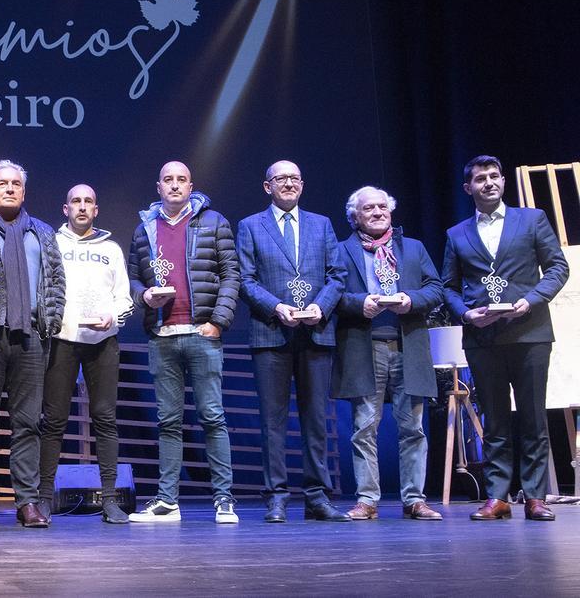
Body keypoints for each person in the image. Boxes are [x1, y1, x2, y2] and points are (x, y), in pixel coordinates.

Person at [442, 155, 569, 522]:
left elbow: (558, 267)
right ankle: (497, 496)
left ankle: (534, 496)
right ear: (469, 187)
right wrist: (467, 314)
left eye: (495, 176)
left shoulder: (531, 220)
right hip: (483, 337)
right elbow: (447, 287)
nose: (489, 183)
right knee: (494, 420)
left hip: (530, 334)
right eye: (480, 178)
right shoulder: (457, 233)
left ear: (502, 182)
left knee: (532, 416)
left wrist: (530, 301)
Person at [127, 161, 240, 524]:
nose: (174, 186)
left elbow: (230, 274)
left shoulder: (213, 222)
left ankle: (224, 500)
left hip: (202, 334)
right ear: (158, 186)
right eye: (168, 180)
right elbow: (131, 278)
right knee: (168, 422)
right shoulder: (145, 229)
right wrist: (144, 296)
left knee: (212, 417)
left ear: (191, 186)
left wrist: (218, 322)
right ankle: (167, 501)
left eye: (181, 180)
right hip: (163, 336)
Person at [236, 160, 349, 522]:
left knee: (317, 418)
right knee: (273, 421)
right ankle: (277, 496)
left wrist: (320, 306)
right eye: (281, 179)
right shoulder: (251, 226)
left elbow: (337, 275)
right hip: (271, 332)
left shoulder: (322, 224)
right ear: (267, 186)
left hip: (315, 331)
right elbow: (246, 280)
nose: (289, 183)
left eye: (295, 178)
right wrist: (277, 307)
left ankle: (317, 495)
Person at [0, 159, 65, 529]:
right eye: (2, 183)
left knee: (27, 424)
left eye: (16, 184)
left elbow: (55, 283)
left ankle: (27, 503)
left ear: (24, 191)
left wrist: (48, 326)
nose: (9, 188)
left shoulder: (41, 231)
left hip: (29, 338)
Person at [333, 187, 444, 521]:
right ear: (355, 216)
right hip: (364, 346)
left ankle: (415, 499)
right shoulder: (341, 251)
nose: (378, 212)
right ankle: (367, 500)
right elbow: (333, 295)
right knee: (364, 427)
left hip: (407, 344)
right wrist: (358, 303)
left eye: (383, 206)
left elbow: (436, 288)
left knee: (413, 428)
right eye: (369, 208)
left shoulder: (413, 248)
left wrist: (410, 299)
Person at [39, 184, 134, 524]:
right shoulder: (52, 245)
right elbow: (42, 290)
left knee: (105, 418)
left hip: (103, 340)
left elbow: (124, 297)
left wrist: (113, 316)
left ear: (96, 209)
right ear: (65, 209)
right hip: (62, 339)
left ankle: (110, 500)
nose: (82, 206)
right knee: (53, 420)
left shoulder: (110, 248)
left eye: (88, 201)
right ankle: (45, 498)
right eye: (75, 201)